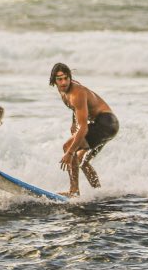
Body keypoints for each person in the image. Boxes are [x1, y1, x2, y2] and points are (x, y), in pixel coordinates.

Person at [49, 63, 119, 197]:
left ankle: (74, 191)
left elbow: (84, 127)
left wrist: (69, 153)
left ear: (70, 77)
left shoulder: (77, 92)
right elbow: (77, 108)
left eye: (66, 78)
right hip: (111, 125)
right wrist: (74, 121)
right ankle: (99, 193)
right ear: (54, 80)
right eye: (59, 79)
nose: (63, 82)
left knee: (68, 147)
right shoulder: (63, 89)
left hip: (105, 123)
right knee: (83, 161)